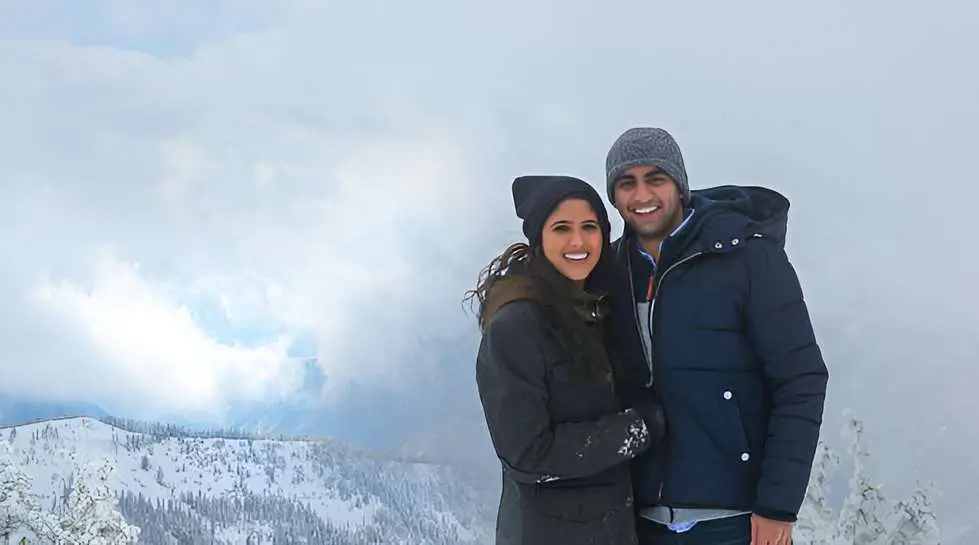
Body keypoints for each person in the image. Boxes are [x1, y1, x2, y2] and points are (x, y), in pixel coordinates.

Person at [600, 127, 830, 545]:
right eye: (626, 183)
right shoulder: (611, 273)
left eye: (656, 178)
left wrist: (777, 506)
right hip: (640, 521)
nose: (642, 195)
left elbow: (800, 379)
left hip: (735, 518)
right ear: (614, 197)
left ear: (680, 186)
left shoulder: (749, 259)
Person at [468, 174, 667, 545]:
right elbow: (528, 454)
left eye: (589, 227)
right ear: (539, 238)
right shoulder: (516, 326)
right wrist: (637, 428)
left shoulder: (596, 311)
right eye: (561, 228)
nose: (578, 241)